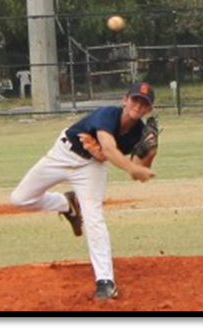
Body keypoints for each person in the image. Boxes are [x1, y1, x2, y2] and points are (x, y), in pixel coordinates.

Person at [10, 82, 158, 300]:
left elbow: (139, 171)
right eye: (135, 99)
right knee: (19, 199)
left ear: (149, 110)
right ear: (124, 100)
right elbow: (109, 148)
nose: (138, 105)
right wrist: (133, 167)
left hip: (91, 167)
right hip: (63, 154)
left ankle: (105, 282)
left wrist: (151, 150)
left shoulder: (138, 132)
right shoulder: (108, 114)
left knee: (94, 217)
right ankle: (65, 204)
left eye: (144, 103)